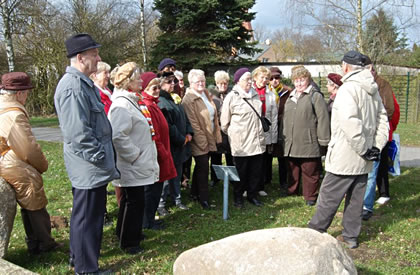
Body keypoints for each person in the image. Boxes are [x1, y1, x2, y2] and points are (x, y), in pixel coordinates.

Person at [308, 51, 389, 249]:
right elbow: (382, 119)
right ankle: (350, 236)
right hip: (365, 155)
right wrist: (375, 147)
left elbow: (350, 123)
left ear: (345, 67)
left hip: (346, 155)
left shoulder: (347, 90)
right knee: (355, 199)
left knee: (329, 196)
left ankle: (315, 232)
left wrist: (365, 148)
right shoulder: (373, 89)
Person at [54, 33, 120, 274]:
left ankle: (79, 259)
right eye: (94, 54)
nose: (99, 58)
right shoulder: (72, 87)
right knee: (87, 219)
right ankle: (86, 269)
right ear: (81, 58)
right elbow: (77, 133)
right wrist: (100, 158)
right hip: (88, 165)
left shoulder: (83, 83)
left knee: (88, 217)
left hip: (90, 165)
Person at [0, 72, 59, 255]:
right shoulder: (14, 115)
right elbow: (27, 149)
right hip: (14, 163)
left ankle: (35, 242)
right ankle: (43, 243)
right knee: (34, 200)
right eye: (26, 92)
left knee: (29, 202)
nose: (27, 96)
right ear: (19, 93)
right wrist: (42, 164)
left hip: (7, 160)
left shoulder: (3, 109)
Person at [107, 62, 159, 254]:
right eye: (137, 78)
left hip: (134, 162)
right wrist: (135, 155)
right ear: (128, 82)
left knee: (132, 200)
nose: (140, 81)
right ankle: (130, 242)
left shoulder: (129, 101)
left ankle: (126, 232)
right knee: (134, 201)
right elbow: (118, 135)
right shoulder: (121, 105)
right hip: (131, 163)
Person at [282, 65, 330, 206]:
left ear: (308, 79)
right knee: (293, 168)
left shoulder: (315, 96)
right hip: (291, 141)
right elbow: (284, 119)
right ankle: (292, 190)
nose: (299, 84)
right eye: (296, 81)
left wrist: (323, 140)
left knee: (309, 170)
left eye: (302, 80)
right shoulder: (290, 97)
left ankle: (310, 196)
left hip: (309, 141)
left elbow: (323, 119)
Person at [220, 68, 266, 208]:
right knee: (241, 173)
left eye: (251, 79)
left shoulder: (255, 95)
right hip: (241, 144)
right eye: (247, 79)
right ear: (238, 81)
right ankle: (238, 197)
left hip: (257, 142)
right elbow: (224, 123)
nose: (250, 81)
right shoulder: (232, 97)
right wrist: (237, 135)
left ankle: (252, 195)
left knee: (255, 172)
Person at [362, 57, 399, 220]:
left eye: (369, 68)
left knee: (378, 165)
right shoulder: (360, 84)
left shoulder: (382, 84)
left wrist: (379, 125)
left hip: (378, 132)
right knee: (370, 166)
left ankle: (374, 200)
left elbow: (389, 109)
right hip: (364, 132)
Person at [140, 72, 177, 229]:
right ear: (145, 89)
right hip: (157, 153)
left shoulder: (154, 104)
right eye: (153, 88)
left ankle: (150, 218)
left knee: (156, 188)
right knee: (151, 191)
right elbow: (152, 132)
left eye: (157, 87)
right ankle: (147, 222)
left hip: (162, 151)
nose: (157, 90)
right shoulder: (147, 106)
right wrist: (162, 152)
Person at [182, 69, 222, 209]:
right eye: (197, 81)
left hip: (209, 135)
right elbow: (193, 124)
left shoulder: (205, 93)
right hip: (199, 139)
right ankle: (204, 199)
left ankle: (194, 193)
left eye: (203, 80)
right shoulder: (188, 100)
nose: (201, 83)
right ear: (191, 83)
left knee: (201, 167)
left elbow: (213, 115)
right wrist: (202, 142)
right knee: (203, 167)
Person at [157, 71, 193, 216]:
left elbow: (185, 118)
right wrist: (181, 139)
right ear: (161, 84)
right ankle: (161, 204)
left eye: (174, 81)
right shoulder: (161, 102)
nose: (173, 84)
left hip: (181, 145)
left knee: (177, 174)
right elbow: (168, 126)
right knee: (166, 176)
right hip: (170, 145)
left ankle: (177, 199)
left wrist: (189, 132)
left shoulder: (175, 99)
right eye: (169, 82)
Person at [252, 66, 278, 196]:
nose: (264, 80)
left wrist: (272, 139)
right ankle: (249, 186)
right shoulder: (249, 92)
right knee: (251, 159)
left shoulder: (271, 95)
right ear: (255, 77)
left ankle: (260, 186)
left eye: (266, 78)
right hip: (251, 130)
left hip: (265, 129)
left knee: (263, 160)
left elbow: (273, 117)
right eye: (261, 77)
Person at [268, 67, 292, 191]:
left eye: (276, 78)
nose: (274, 81)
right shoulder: (265, 92)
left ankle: (283, 180)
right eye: (271, 78)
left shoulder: (288, 92)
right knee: (267, 155)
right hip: (269, 127)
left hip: (283, 127)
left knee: (282, 156)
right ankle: (267, 180)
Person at [208, 71, 234, 187]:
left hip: (229, 130)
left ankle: (232, 177)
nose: (223, 86)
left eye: (225, 83)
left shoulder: (232, 94)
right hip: (216, 130)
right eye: (220, 83)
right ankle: (215, 177)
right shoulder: (211, 96)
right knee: (215, 155)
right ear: (216, 83)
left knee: (230, 155)